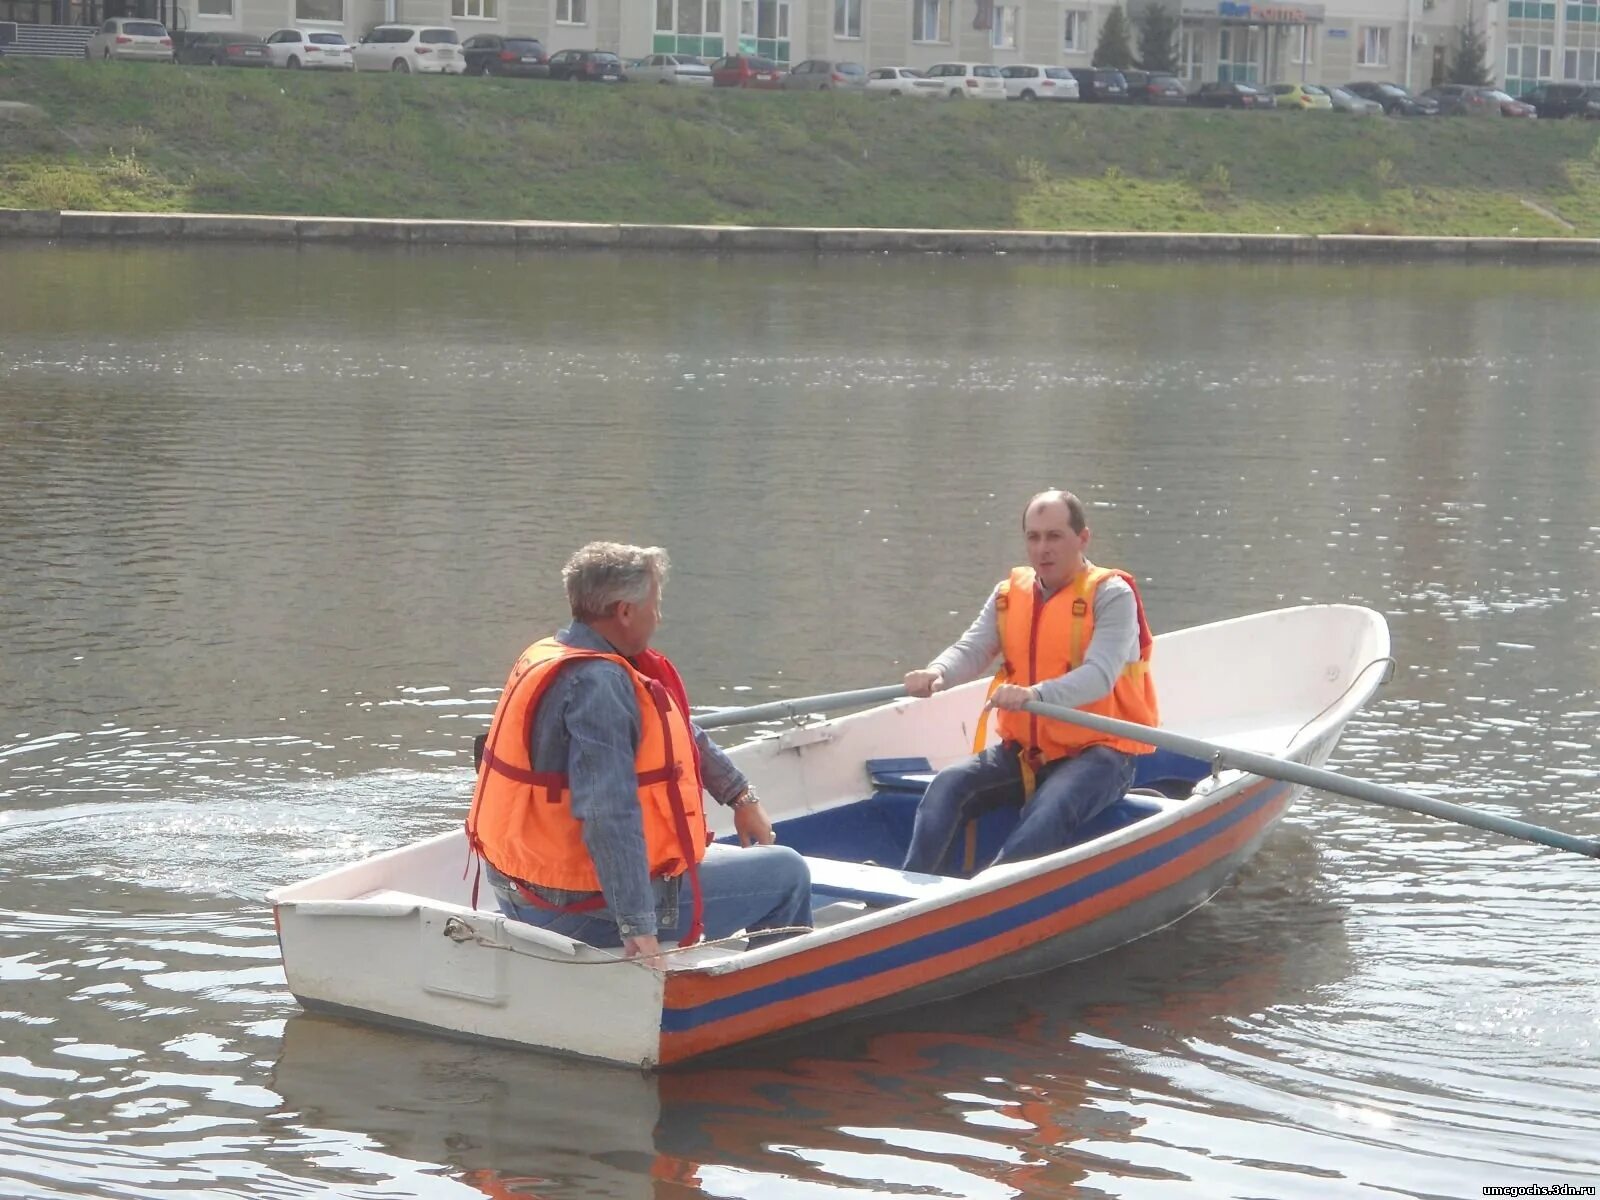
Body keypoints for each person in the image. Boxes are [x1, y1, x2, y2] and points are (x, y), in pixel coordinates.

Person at [467, 541, 811, 961]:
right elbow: (608, 813)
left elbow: (680, 732)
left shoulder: (553, 654)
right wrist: (637, 926)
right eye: (655, 604)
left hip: (513, 887)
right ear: (625, 611)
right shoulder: (601, 685)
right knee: (787, 872)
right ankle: (768, 1003)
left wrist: (739, 795)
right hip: (577, 908)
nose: (659, 616)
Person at [901, 490, 1159, 875]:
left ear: (1082, 538)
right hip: (1027, 752)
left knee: (1049, 808)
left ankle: (990, 895)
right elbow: (972, 648)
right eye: (1033, 537)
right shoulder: (1008, 594)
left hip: (1100, 753)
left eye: (1054, 536)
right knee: (947, 786)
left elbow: (1100, 676)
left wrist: (1034, 694)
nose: (1042, 549)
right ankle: (907, 893)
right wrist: (937, 672)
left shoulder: (1111, 595)